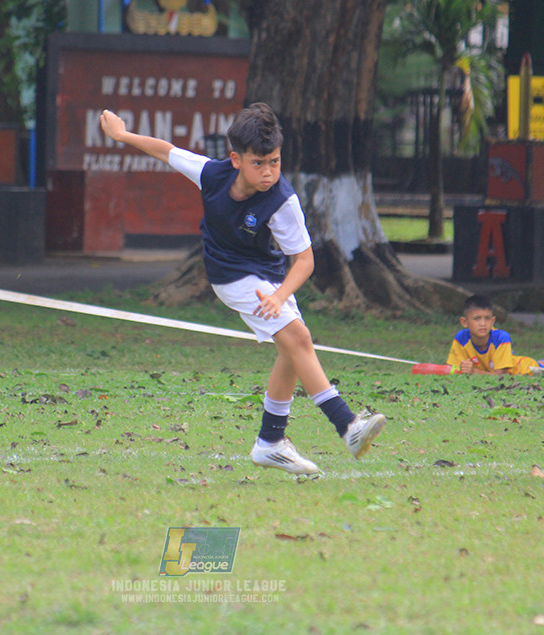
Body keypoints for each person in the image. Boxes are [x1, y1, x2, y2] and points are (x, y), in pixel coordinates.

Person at [99, 103, 385, 475]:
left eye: (275, 162)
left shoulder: (282, 202)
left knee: (293, 351)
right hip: (230, 276)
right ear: (236, 160)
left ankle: (270, 443)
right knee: (298, 339)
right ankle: (348, 426)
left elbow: (304, 261)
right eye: (259, 163)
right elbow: (166, 151)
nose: (268, 173)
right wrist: (122, 135)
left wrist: (280, 295)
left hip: (269, 278)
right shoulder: (212, 174)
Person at [447, 295, 538, 375]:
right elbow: (453, 368)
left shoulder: (501, 338)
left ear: (492, 321)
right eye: (477, 318)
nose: (483, 323)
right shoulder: (461, 337)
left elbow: (500, 376)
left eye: (487, 318)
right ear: (464, 322)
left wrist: (474, 372)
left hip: (526, 368)